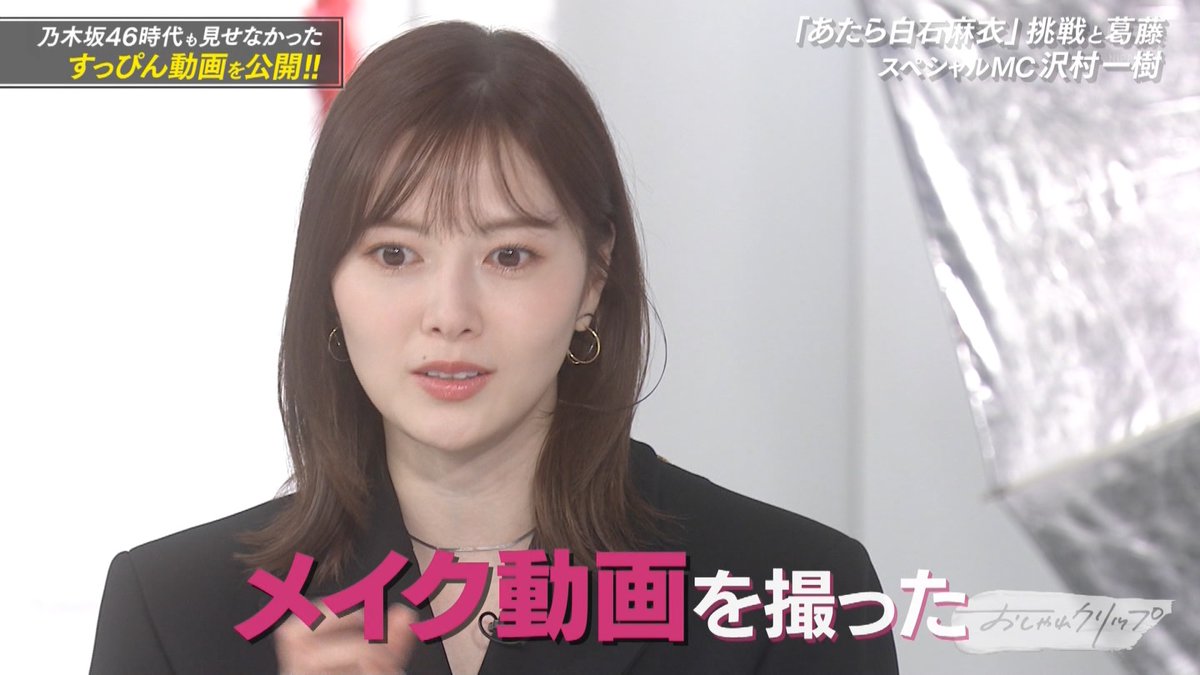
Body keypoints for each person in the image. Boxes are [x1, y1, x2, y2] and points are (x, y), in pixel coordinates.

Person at [89, 20, 900, 675]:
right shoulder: (175, 609)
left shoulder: (787, 594)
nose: (450, 314)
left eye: (509, 255)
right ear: (329, 281)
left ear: (594, 277)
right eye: (394, 254)